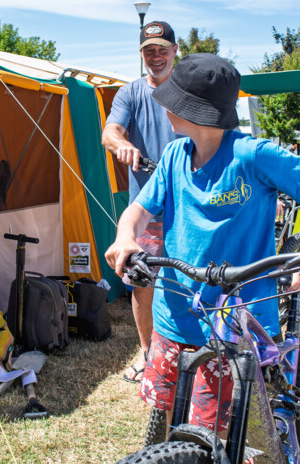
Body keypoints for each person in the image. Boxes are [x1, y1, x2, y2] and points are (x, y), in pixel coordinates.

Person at [105, 53, 300, 434]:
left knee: (218, 434)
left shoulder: (252, 154)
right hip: (173, 315)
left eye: (173, 100)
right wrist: (125, 234)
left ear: (194, 112)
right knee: (173, 419)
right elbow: (139, 210)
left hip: (234, 323)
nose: (164, 106)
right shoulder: (174, 156)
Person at [102, 21, 180, 383]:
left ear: (175, 51)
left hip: (187, 210)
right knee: (142, 284)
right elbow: (110, 133)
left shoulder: (186, 90)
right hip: (144, 212)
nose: (156, 56)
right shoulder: (130, 93)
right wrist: (124, 146)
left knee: (191, 285)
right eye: (149, 51)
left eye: (163, 49)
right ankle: (149, 355)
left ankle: (192, 355)